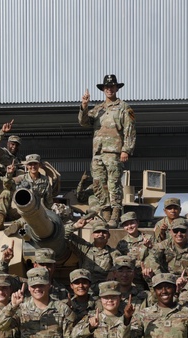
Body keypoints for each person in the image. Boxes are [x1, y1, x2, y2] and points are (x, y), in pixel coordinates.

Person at [79, 74, 136, 225]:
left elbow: (129, 130)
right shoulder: (98, 109)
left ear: (117, 88)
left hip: (114, 152)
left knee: (113, 184)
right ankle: (105, 211)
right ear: (103, 89)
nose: (109, 89)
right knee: (98, 183)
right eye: (106, 87)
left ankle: (115, 214)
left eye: (112, 86)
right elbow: (84, 122)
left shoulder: (124, 107)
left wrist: (126, 150)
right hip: (97, 153)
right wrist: (84, 106)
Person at [0, 153, 52, 231]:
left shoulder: (45, 181)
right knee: (6, 192)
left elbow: (48, 200)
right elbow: (7, 186)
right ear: (27, 166)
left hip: (36, 212)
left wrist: (48, 214)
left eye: (35, 164)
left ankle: (18, 224)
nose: (33, 166)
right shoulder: (21, 179)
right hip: (19, 211)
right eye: (30, 164)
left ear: (39, 165)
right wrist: (9, 174)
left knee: (34, 217)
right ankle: (0, 222)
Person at [67, 217, 118, 284]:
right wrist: (75, 226)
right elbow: (63, 234)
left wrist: (112, 271)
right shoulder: (85, 248)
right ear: (92, 235)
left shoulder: (113, 253)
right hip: (86, 288)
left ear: (108, 235)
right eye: (97, 232)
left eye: (104, 232)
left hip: (105, 289)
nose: (101, 234)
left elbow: (120, 266)